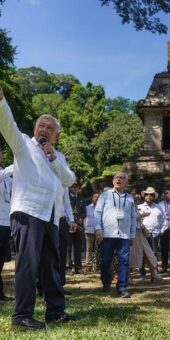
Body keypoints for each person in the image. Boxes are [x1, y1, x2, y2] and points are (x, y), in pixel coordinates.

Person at [0, 85, 77, 329]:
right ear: (35, 129)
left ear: (56, 135)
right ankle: (22, 315)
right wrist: (2, 102)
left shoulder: (59, 156)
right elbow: (7, 125)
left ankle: (55, 311)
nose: (44, 129)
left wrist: (52, 155)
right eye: (40, 125)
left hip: (52, 216)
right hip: (28, 211)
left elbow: (69, 180)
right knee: (28, 264)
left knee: (51, 266)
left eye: (50, 127)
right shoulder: (23, 144)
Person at [94, 172, 136, 298]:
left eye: (122, 178)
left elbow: (133, 217)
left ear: (126, 182)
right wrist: (98, 229)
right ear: (113, 181)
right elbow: (97, 212)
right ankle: (106, 283)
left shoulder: (129, 198)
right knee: (106, 261)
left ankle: (122, 287)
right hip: (107, 233)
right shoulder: (105, 195)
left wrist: (132, 234)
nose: (119, 179)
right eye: (116, 177)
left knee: (124, 261)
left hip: (124, 235)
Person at [137, 186, 166, 280]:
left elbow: (164, 220)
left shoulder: (159, 207)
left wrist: (161, 231)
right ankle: (142, 273)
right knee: (142, 253)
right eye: (147, 194)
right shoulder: (139, 207)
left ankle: (155, 272)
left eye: (151, 194)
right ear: (144, 196)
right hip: (142, 233)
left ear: (154, 196)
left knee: (153, 253)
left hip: (155, 233)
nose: (148, 196)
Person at [0, 150, 13, 302]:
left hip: (6, 222)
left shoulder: (7, 176)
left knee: (2, 258)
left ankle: (0, 292)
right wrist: (18, 163)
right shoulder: (5, 173)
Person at [68, 183, 86, 274]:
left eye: (77, 187)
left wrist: (81, 218)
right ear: (70, 188)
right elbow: (67, 210)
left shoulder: (81, 199)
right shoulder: (66, 198)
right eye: (73, 187)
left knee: (78, 247)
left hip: (79, 226)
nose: (75, 189)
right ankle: (68, 268)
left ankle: (78, 268)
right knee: (68, 247)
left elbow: (84, 211)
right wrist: (74, 219)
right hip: (69, 224)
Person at [158, 190, 170, 273]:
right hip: (164, 228)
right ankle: (164, 266)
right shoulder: (159, 205)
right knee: (164, 248)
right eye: (165, 194)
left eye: (168, 194)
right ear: (163, 195)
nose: (167, 195)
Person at [84, 192, 100, 273]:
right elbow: (83, 218)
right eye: (95, 197)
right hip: (89, 230)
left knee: (98, 249)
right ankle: (88, 266)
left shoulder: (102, 208)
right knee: (89, 249)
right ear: (92, 198)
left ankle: (96, 266)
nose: (96, 198)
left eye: (98, 197)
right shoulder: (87, 208)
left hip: (99, 231)